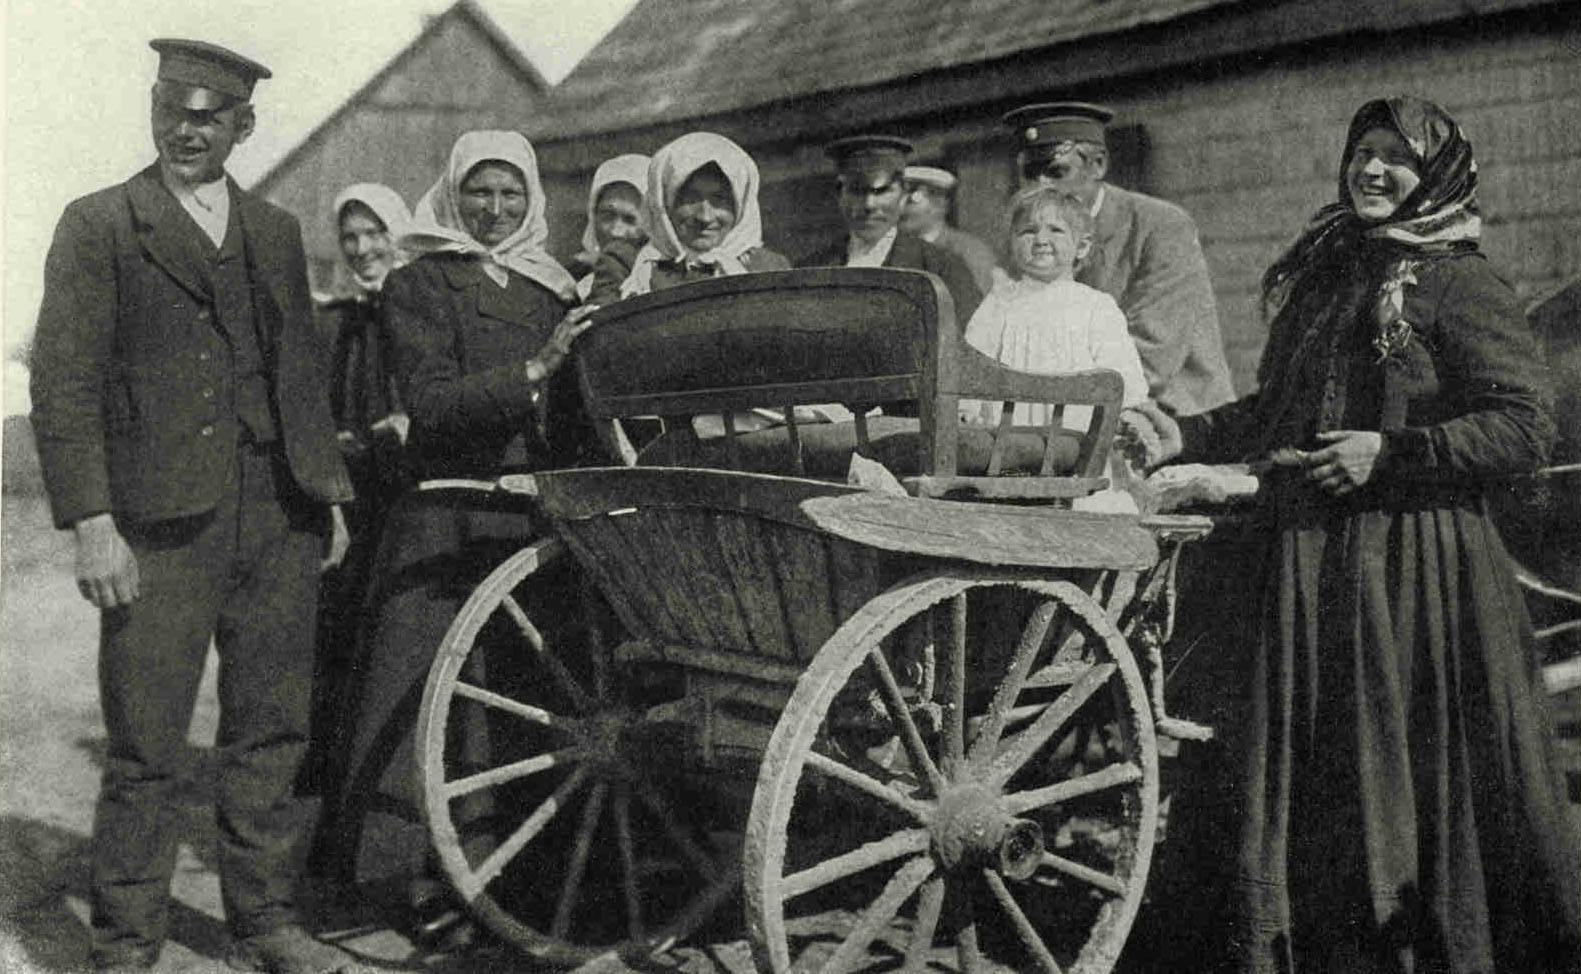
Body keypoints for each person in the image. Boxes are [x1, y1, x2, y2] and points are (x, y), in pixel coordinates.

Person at [1150, 96, 1581, 973]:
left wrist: (1391, 452)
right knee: (1311, 769)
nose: (1372, 170)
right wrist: (1183, 436)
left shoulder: (1462, 283)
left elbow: (1521, 427)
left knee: (1393, 768)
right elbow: (1282, 410)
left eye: (1396, 158)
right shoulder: (1331, 273)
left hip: (1415, 575)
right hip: (1307, 566)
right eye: (1362, 152)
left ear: (1438, 175)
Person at [28, 39, 363, 974]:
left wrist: (325, 494)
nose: (186, 129)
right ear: (152, 112)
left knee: (268, 733)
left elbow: (300, 374)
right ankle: (126, 946)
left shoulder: (275, 231)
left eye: (208, 116)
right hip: (157, 526)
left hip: (278, 516)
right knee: (145, 746)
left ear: (242, 127)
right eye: (171, 109)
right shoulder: (100, 224)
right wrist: (93, 521)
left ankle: (264, 924)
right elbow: (64, 384)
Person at [320, 130, 594, 946]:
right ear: (452, 193)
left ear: (533, 200)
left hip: (524, 525)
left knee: (517, 710)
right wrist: (532, 374)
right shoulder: (420, 280)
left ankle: (507, 882)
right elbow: (432, 402)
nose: (496, 207)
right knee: (421, 707)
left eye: (512, 193)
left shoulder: (554, 288)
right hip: (445, 521)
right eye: (480, 191)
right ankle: (407, 884)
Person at [1004, 102, 1233, 417]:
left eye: (1057, 172)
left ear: (1098, 165)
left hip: (1178, 422)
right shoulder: (1031, 236)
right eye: (1030, 174)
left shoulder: (1162, 226)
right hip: (1080, 413)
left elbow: (1150, 356)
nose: (1042, 188)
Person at [299, 184, 412, 803]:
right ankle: (339, 787)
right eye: (352, 237)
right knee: (339, 629)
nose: (364, 249)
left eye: (376, 234)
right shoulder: (345, 319)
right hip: (358, 496)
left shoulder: (418, 302)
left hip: (410, 492)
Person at [798, 135, 983, 328]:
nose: (869, 204)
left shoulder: (942, 268)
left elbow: (969, 344)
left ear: (903, 194)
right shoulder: (811, 271)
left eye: (882, 191)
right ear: (839, 195)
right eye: (857, 191)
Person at [587, 131, 789, 305]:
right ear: (665, 201)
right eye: (690, 199)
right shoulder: (626, 263)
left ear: (741, 205)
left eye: (720, 200)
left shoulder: (769, 268)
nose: (704, 216)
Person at [900, 164, 1000, 296]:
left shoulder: (968, 251)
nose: (901, 209)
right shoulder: (898, 250)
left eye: (911, 201)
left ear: (940, 205)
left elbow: (983, 305)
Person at [568, 152, 649, 300]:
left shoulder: (667, 284)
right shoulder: (573, 285)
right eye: (607, 216)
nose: (615, 231)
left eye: (629, 220)